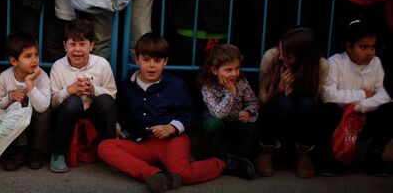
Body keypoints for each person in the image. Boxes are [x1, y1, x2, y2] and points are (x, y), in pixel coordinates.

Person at [97, 34, 253, 193]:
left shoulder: (176, 85)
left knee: (181, 174)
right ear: (137, 60)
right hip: (142, 142)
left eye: (157, 61)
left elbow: (190, 116)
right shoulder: (127, 85)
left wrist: (171, 127)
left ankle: (223, 162)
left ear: (165, 61)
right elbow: (122, 113)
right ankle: (154, 175)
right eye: (146, 60)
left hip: (172, 140)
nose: (152, 65)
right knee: (104, 146)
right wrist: (117, 126)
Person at [320, 20, 393, 176]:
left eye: (373, 47)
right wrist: (361, 94)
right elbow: (328, 95)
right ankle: (328, 157)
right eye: (363, 47)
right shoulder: (335, 62)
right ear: (348, 47)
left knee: (390, 108)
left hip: (364, 115)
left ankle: (374, 154)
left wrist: (361, 106)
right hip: (340, 118)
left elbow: (384, 94)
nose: (369, 52)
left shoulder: (376, 62)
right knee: (328, 109)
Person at [256, 27, 328, 178]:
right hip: (277, 114)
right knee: (285, 104)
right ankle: (266, 151)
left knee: (308, 104)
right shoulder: (271, 56)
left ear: (301, 57)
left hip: (301, 116)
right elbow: (261, 100)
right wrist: (279, 89)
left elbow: (318, 99)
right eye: (280, 50)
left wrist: (298, 88)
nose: (281, 56)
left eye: (286, 54)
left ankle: (304, 152)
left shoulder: (320, 66)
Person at [48, 19, 117, 173]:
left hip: (94, 112)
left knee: (105, 101)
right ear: (65, 46)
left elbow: (112, 96)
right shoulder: (58, 67)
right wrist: (69, 90)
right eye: (72, 44)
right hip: (68, 114)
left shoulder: (102, 64)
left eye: (82, 44)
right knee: (73, 102)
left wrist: (94, 90)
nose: (77, 49)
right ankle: (58, 153)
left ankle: (112, 152)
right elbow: (52, 103)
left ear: (91, 45)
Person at [0, 32, 51, 171]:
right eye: (28, 56)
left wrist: (29, 84)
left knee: (45, 109)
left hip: (36, 121)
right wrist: (10, 97)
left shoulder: (42, 77)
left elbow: (43, 107)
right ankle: (21, 150)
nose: (34, 60)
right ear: (14, 61)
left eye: (36, 54)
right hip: (17, 125)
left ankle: (36, 151)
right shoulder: (4, 77)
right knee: (15, 105)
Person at [198, 44, 259, 159]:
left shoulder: (241, 82)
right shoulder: (208, 87)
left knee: (251, 125)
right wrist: (230, 92)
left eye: (237, 68)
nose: (234, 73)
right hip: (217, 122)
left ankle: (243, 159)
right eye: (228, 70)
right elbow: (218, 114)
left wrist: (248, 112)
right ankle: (214, 159)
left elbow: (253, 102)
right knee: (213, 124)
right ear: (215, 70)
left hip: (236, 120)